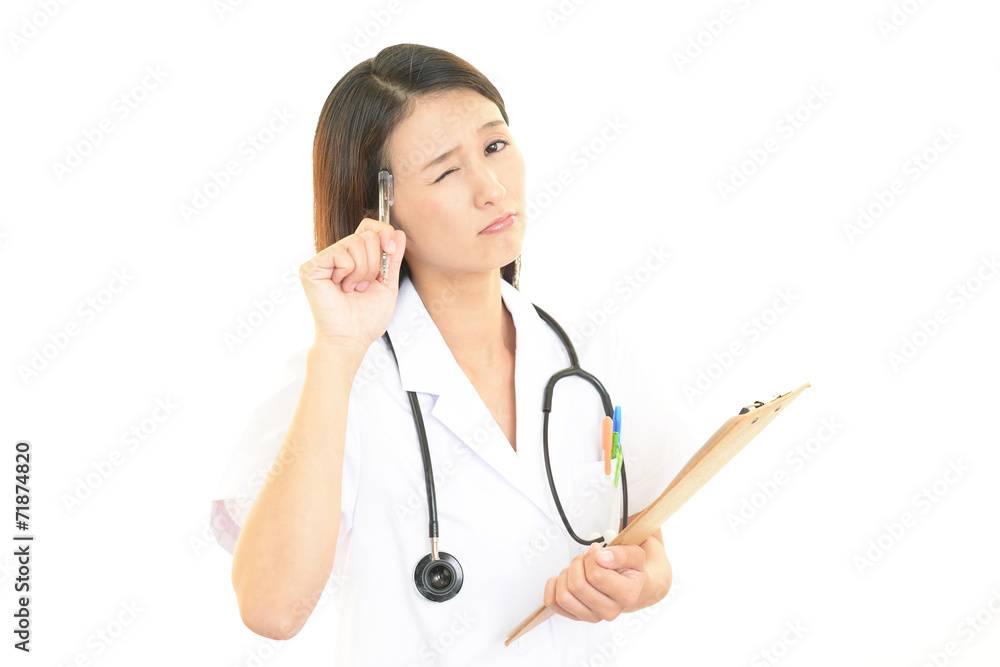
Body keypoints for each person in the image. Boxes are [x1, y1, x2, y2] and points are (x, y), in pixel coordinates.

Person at [209, 43, 696, 665]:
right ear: (378, 211)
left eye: (494, 145)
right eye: (445, 172)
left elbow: (650, 550)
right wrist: (338, 351)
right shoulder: (340, 380)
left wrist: (634, 583)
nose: (492, 189)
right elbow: (272, 610)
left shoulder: (591, 355)